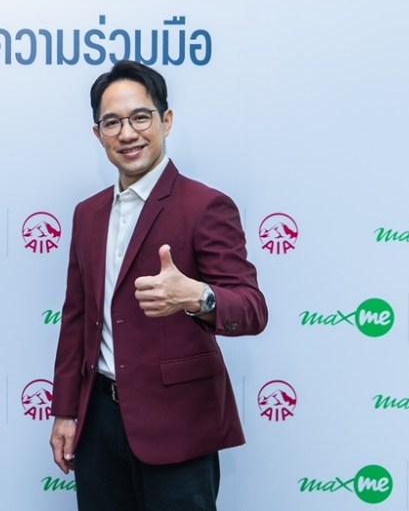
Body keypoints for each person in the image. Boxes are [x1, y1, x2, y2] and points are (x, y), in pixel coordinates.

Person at [49, 60, 267, 510]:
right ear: (98, 134)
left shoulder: (206, 206)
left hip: (178, 422)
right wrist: (66, 411)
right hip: (98, 422)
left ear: (166, 120)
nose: (127, 133)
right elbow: (76, 319)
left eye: (140, 117)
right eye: (112, 122)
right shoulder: (87, 214)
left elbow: (251, 308)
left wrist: (199, 296)